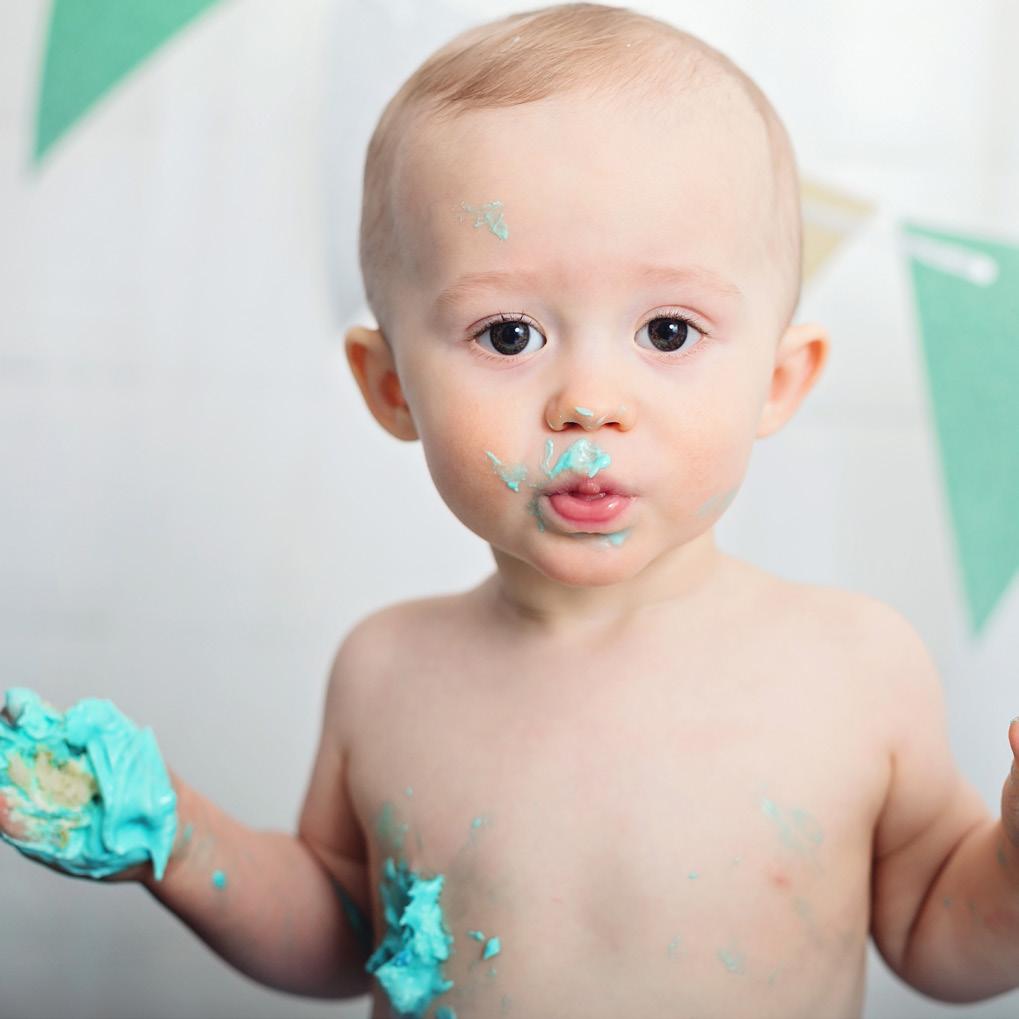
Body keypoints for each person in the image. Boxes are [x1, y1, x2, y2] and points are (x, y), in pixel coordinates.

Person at [5, 4, 1019, 1017]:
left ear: (777, 378)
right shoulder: (388, 669)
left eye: (666, 329)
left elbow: (941, 934)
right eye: (505, 333)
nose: (587, 397)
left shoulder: (855, 668)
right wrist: (180, 841)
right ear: (391, 385)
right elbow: (343, 932)